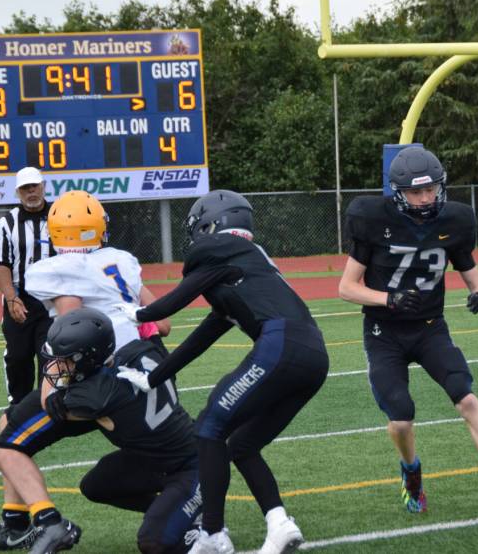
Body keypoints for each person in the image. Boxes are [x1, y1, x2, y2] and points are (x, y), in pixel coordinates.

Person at [116, 190, 330, 554]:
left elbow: (184, 292)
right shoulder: (243, 269)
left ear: (211, 225)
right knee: (241, 445)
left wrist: (139, 314)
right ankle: (279, 523)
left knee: (209, 428)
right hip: (313, 355)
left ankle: (213, 532)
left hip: (281, 343)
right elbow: (204, 335)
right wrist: (153, 377)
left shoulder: (220, 252)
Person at [338, 146, 478, 518]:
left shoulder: (455, 221)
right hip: (385, 332)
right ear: (398, 193)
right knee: (401, 417)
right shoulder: (372, 220)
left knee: (467, 398)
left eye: (431, 189)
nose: (426, 197)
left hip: (431, 329)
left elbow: (476, 280)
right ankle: (411, 471)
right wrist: (389, 299)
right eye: (417, 192)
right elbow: (347, 287)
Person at [0, 307, 202, 554]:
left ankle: (202, 524)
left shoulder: (95, 398)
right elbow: (155, 342)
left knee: (154, 543)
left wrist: (52, 388)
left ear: (88, 358)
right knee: (96, 485)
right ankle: (173, 510)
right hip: (153, 456)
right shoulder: (137, 352)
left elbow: (48, 402)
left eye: (66, 359)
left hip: (192, 467)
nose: (57, 365)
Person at [23, 189, 170, 350]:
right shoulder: (121, 260)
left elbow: (75, 332)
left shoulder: (59, 268)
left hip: (105, 360)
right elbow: (163, 325)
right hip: (148, 356)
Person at [0, 167, 55, 404]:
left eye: (34, 186)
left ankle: (45, 402)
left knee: (49, 353)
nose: (31, 192)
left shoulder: (61, 215)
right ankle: (18, 404)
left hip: (52, 298)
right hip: (21, 296)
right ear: (18, 192)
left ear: (43, 186)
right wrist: (11, 298)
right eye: (25, 188)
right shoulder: (7, 222)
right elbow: (1, 263)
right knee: (18, 355)